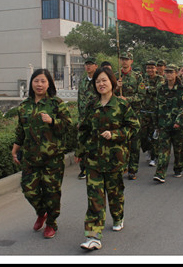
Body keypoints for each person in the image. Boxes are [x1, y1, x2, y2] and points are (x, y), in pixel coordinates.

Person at [76, 67, 140, 251]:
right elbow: (84, 129)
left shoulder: (121, 104)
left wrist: (116, 134)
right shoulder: (91, 105)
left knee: (115, 195)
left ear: (112, 82)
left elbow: (134, 127)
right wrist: (80, 151)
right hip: (94, 160)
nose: (101, 84)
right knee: (94, 198)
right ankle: (93, 235)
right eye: (97, 82)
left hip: (115, 159)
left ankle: (118, 216)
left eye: (104, 80)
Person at [11, 69, 72, 239]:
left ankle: (51, 223)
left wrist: (53, 121)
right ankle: (41, 212)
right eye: (36, 81)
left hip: (53, 157)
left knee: (52, 192)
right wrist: (15, 148)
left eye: (43, 81)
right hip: (31, 157)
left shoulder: (56, 104)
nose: (39, 84)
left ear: (49, 84)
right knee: (28, 189)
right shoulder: (24, 106)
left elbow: (68, 125)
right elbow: (20, 131)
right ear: (31, 83)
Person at [153, 63, 183, 183]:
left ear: (176, 73)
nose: (168, 74)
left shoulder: (182, 89)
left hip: (177, 125)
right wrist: (156, 124)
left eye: (171, 72)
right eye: (167, 72)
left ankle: (178, 168)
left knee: (179, 149)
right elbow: (157, 106)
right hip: (164, 124)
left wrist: (178, 121)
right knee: (163, 149)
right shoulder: (161, 88)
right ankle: (160, 173)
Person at [115, 52, 145, 180]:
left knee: (134, 144)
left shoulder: (138, 77)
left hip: (134, 114)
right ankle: (122, 166)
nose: (125, 61)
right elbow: (108, 93)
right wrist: (116, 87)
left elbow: (141, 96)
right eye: (123, 59)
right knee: (121, 142)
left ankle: (133, 169)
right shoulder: (116, 76)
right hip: (120, 115)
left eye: (127, 59)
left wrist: (126, 99)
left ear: (131, 61)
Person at [77, 57, 98, 179]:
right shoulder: (82, 81)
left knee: (95, 142)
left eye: (91, 64)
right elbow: (80, 100)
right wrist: (80, 119)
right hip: (84, 117)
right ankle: (83, 169)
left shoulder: (99, 80)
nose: (88, 67)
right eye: (86, 64)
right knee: (82, 141)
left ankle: (95, 166)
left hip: (96, 116)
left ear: (96, 66)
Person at [139, 60, 164, 167]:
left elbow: (158, 90)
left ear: (156, 69)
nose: (150, 70)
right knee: (143, 134)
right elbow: (140, 91)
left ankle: (154, 157)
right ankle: (148, 149)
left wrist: (147, 89)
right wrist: (146, 89)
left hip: (155, 111)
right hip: (144, 110)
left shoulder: (160, 79)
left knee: (155, 135)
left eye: (152, 68)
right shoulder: (143, 79)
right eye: (148, 68)